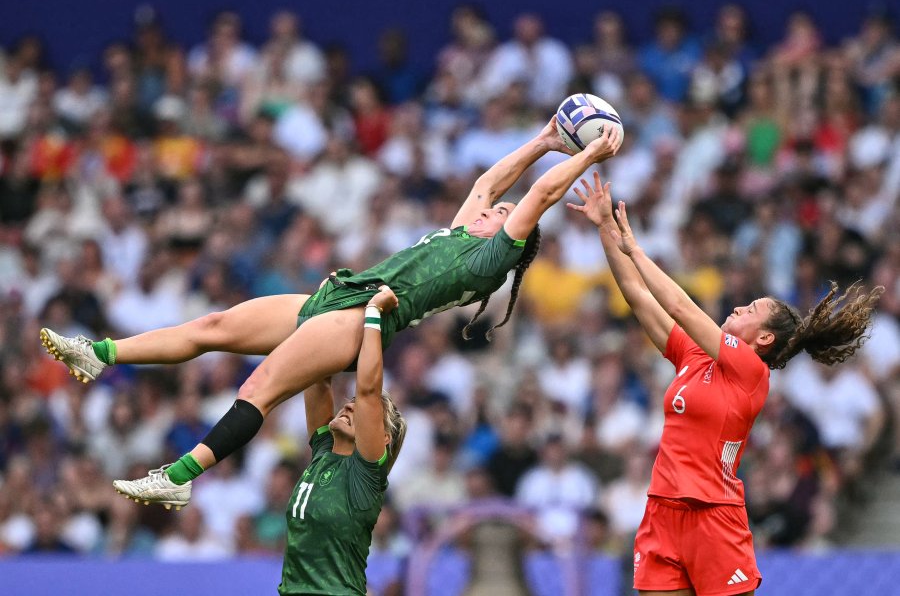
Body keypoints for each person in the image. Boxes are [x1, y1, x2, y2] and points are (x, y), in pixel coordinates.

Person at [40, 119, 621, 509]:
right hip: (337, 296)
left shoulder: (493, 256)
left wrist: (591, 152)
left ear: (511, 237)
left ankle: (177, 479)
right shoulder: (464, 230)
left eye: (502, 213)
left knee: (260, 387)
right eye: (497, 209)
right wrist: (545, 138)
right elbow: (488, 180)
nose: (495, 207)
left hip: (360, 320)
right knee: (211, 327)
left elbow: (538, 198)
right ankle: (98, 354)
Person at [567, 172, 882, 596]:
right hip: (663, 509)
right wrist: (605, 225)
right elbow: (637, 296)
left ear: (765, 339)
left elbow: (679, 304)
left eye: (750, 308)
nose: (738, 306)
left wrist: (636, 249)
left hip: (714, 516)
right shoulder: (694, 354)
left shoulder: (752, 373)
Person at [279, 284, 407, 595]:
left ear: (384, 438)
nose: (350, 404)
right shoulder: (323, 451)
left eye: (365, 410)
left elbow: (367, 390)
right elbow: (317, 376)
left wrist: (373, 315)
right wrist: (325, 308)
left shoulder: (366, 476)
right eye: (348, 400)